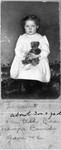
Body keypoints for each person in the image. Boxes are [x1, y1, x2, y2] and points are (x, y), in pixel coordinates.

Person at [10, 14, 51, 93]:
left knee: (37, 71)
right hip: (25, 59)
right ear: (24, 27)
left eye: (32, 26)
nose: (30, 28)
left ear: (37, 26)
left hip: (37, 60)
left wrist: (37, 55)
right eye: (27, 26)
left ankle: (36, 88)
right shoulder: (22, 38)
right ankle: (26, 88)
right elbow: (17, 50)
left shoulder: (41, 38)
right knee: (23, 71)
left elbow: (46, 50)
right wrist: (25, 55)